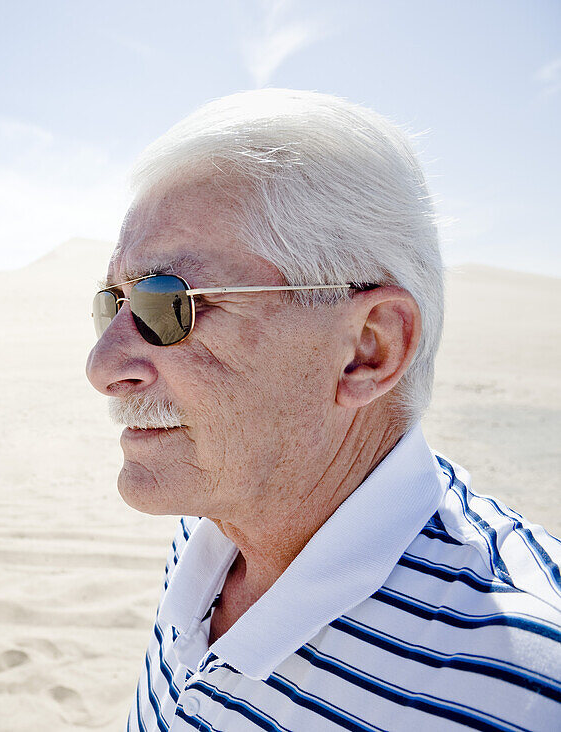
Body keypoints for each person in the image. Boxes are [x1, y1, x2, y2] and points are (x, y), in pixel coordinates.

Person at [85, 89, 561, 731]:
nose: (102, 365)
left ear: (368, 350)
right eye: (113, 302)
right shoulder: (209, 528)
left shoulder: (519, 690)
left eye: (171, 304)